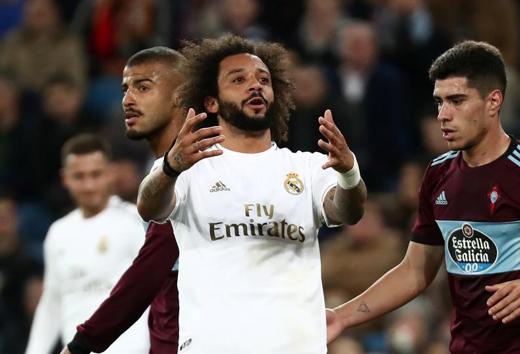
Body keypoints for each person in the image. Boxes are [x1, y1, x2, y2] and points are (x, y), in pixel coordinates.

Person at [326, 40, 520, 353]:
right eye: (439, 102)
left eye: (457, 100)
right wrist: (342, 317)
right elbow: (416, 271)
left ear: (493, 102)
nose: (444, 114)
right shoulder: (438, 174)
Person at [136, 35, 367, 353]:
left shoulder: (308, 167)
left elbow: (348, 211)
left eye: (263, 80)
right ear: (211, 101)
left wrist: (348, 171)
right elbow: (149, 206)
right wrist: (170, 167)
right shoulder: (191, 166)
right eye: (238, 79)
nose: (255, 86)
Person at [61, 46, 186, 354]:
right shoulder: (164, 171)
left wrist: (82, 344)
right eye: (125, 89)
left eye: (143, 87)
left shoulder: (196, 169)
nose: (128, 100)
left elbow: (149, 270)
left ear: (180, 96)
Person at [25, 134, 149, 354]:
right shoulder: (58, 232)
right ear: (65, 179)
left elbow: (154, 288)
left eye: (96, 174)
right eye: (79, 176)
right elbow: (52, 301)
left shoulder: (134, 221)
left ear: (111, 173)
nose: (89, 185)